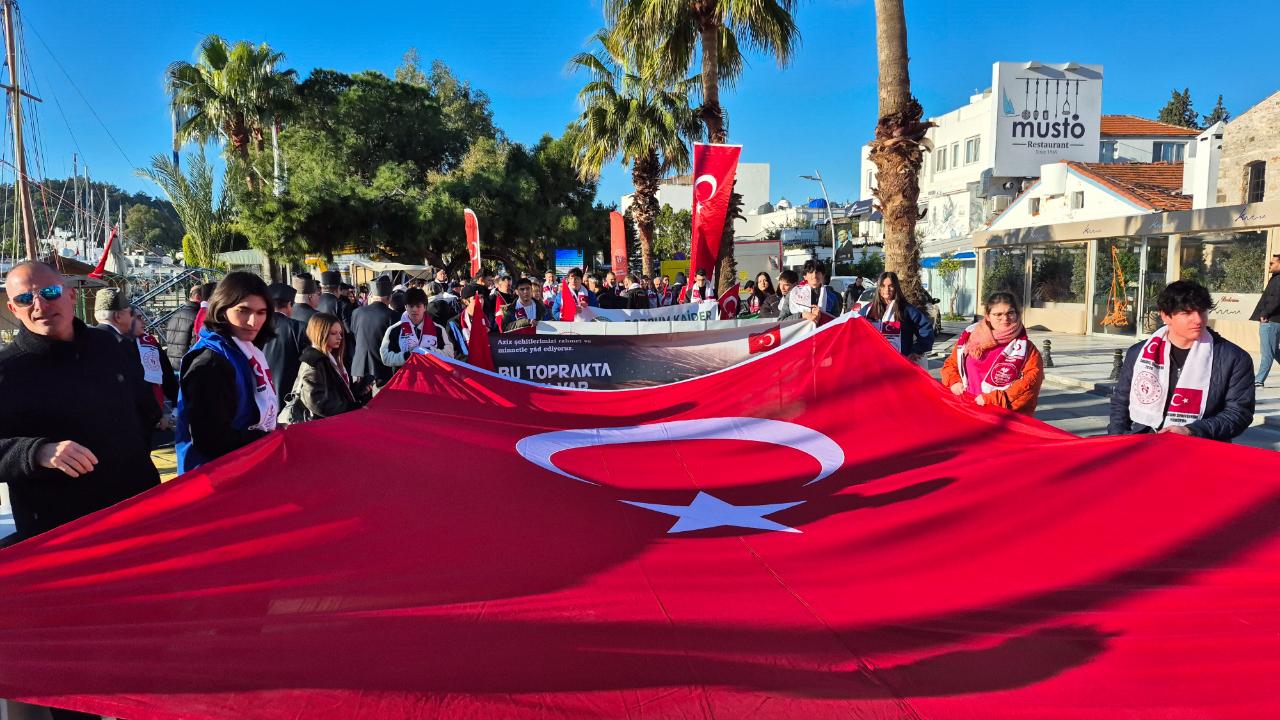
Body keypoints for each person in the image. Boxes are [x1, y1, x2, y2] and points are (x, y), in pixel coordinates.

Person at [0, 261, 161, 545]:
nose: (39, 305)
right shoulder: (6, 370)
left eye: (49, 292)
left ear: (71, 295)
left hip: (138, 508)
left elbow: (142, 408)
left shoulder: (110, 345)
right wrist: (35, 452)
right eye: (25, 298)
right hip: (62, 531)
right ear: (13, 308)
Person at [1109, 280, 1255, 442]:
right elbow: (1121, 402)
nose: (1198, 320)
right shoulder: (1138, 353)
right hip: (1143, 444)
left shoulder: (1234, 358)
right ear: (1165, 315)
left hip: (1201, 448)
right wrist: (1118, 440)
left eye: (1202, 311)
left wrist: (1191, 430)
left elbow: (1239, 412)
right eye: (1187, 313)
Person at [175, 272, 279, 474]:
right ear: (222, 310)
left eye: (261, 312)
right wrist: (268, 437)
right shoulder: (210, 362)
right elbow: (211, 440)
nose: (252, 321)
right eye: (243, 310)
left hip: (242, 467)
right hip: (214, 477)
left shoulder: (245, 350)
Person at [941, 290, 1044, 416]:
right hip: (967, 410)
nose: (1005, 319)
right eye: (998, 314)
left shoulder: (1027, 349)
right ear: (988, 316)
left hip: (1004, 416)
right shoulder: (970, 339)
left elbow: (1030, 383)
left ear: (1017, 314)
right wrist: (954, 381)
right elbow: (951, 364)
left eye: (1010, 313)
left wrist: (995, 399)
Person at [94, 288, 179, 412]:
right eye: (137, 317)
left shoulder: (149, 343)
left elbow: (166, 376)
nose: (143, 322)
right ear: (119, 317)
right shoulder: (120, 344)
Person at [286, 313, 360, 422]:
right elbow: (315, 401)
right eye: (333, 333)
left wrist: (359, 389)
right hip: (320, 425)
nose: (340, 337)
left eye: (340, 333)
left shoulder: (330, 357)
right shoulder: (314, 361)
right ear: (320, 334)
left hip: (331, 421)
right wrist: (348, 408)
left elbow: (336, 391)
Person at [858, 271, 936, 363]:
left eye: (890, 286)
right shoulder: (868, 310)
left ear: (896, 288)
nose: (886, 290)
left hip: (900, 364)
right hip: (875, 363)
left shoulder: (906, 310)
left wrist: (917, 350)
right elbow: (854, 328)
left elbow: (925, 329)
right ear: (879, 288)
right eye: (883, 286)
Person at [350, 275, 400, 389]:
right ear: (389, 297)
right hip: (382, 370)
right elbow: (395, 345)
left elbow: (354, 337)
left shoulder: (356, 312)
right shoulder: (394, 315)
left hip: (358, 368)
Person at [263, 282, 309, 401]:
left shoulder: (257, 326)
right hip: (289, 394)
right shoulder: (298, 328)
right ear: (289, 304)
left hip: (261, 393)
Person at [380, 287, 438, 369]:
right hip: (405, 378)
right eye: (411, 306)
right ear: (406, 307)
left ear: (425, 307)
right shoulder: (393, 330)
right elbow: (385, 357)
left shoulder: (438, 329)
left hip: (431, 378)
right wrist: (406, 356)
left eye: (418, 306)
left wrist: (429, 352)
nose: (414, 309)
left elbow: (449, 354)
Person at [1251, 253, 1280, 387]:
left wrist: (1265, 313)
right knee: (1274, 351)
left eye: (1272, 263)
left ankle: (1258, 380)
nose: (1269, 265)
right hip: (1274, 321)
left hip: (1270, 321)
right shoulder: (1275, 278)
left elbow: (1275, 299)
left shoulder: (1278, 280)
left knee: (1267, 353)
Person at [446, 284, 490, 362]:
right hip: (467, 368)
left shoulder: (490, 320)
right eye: (475, 298)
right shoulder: (454, 324)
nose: (480, 301)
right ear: (465, 301)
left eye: (481, 297)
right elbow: (452, 352)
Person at [163, 283, 204, 367]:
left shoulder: (175, 315)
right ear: (198, 297)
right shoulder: (198, 316)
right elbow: (196, 344)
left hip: (171, 363)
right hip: (187, 365)